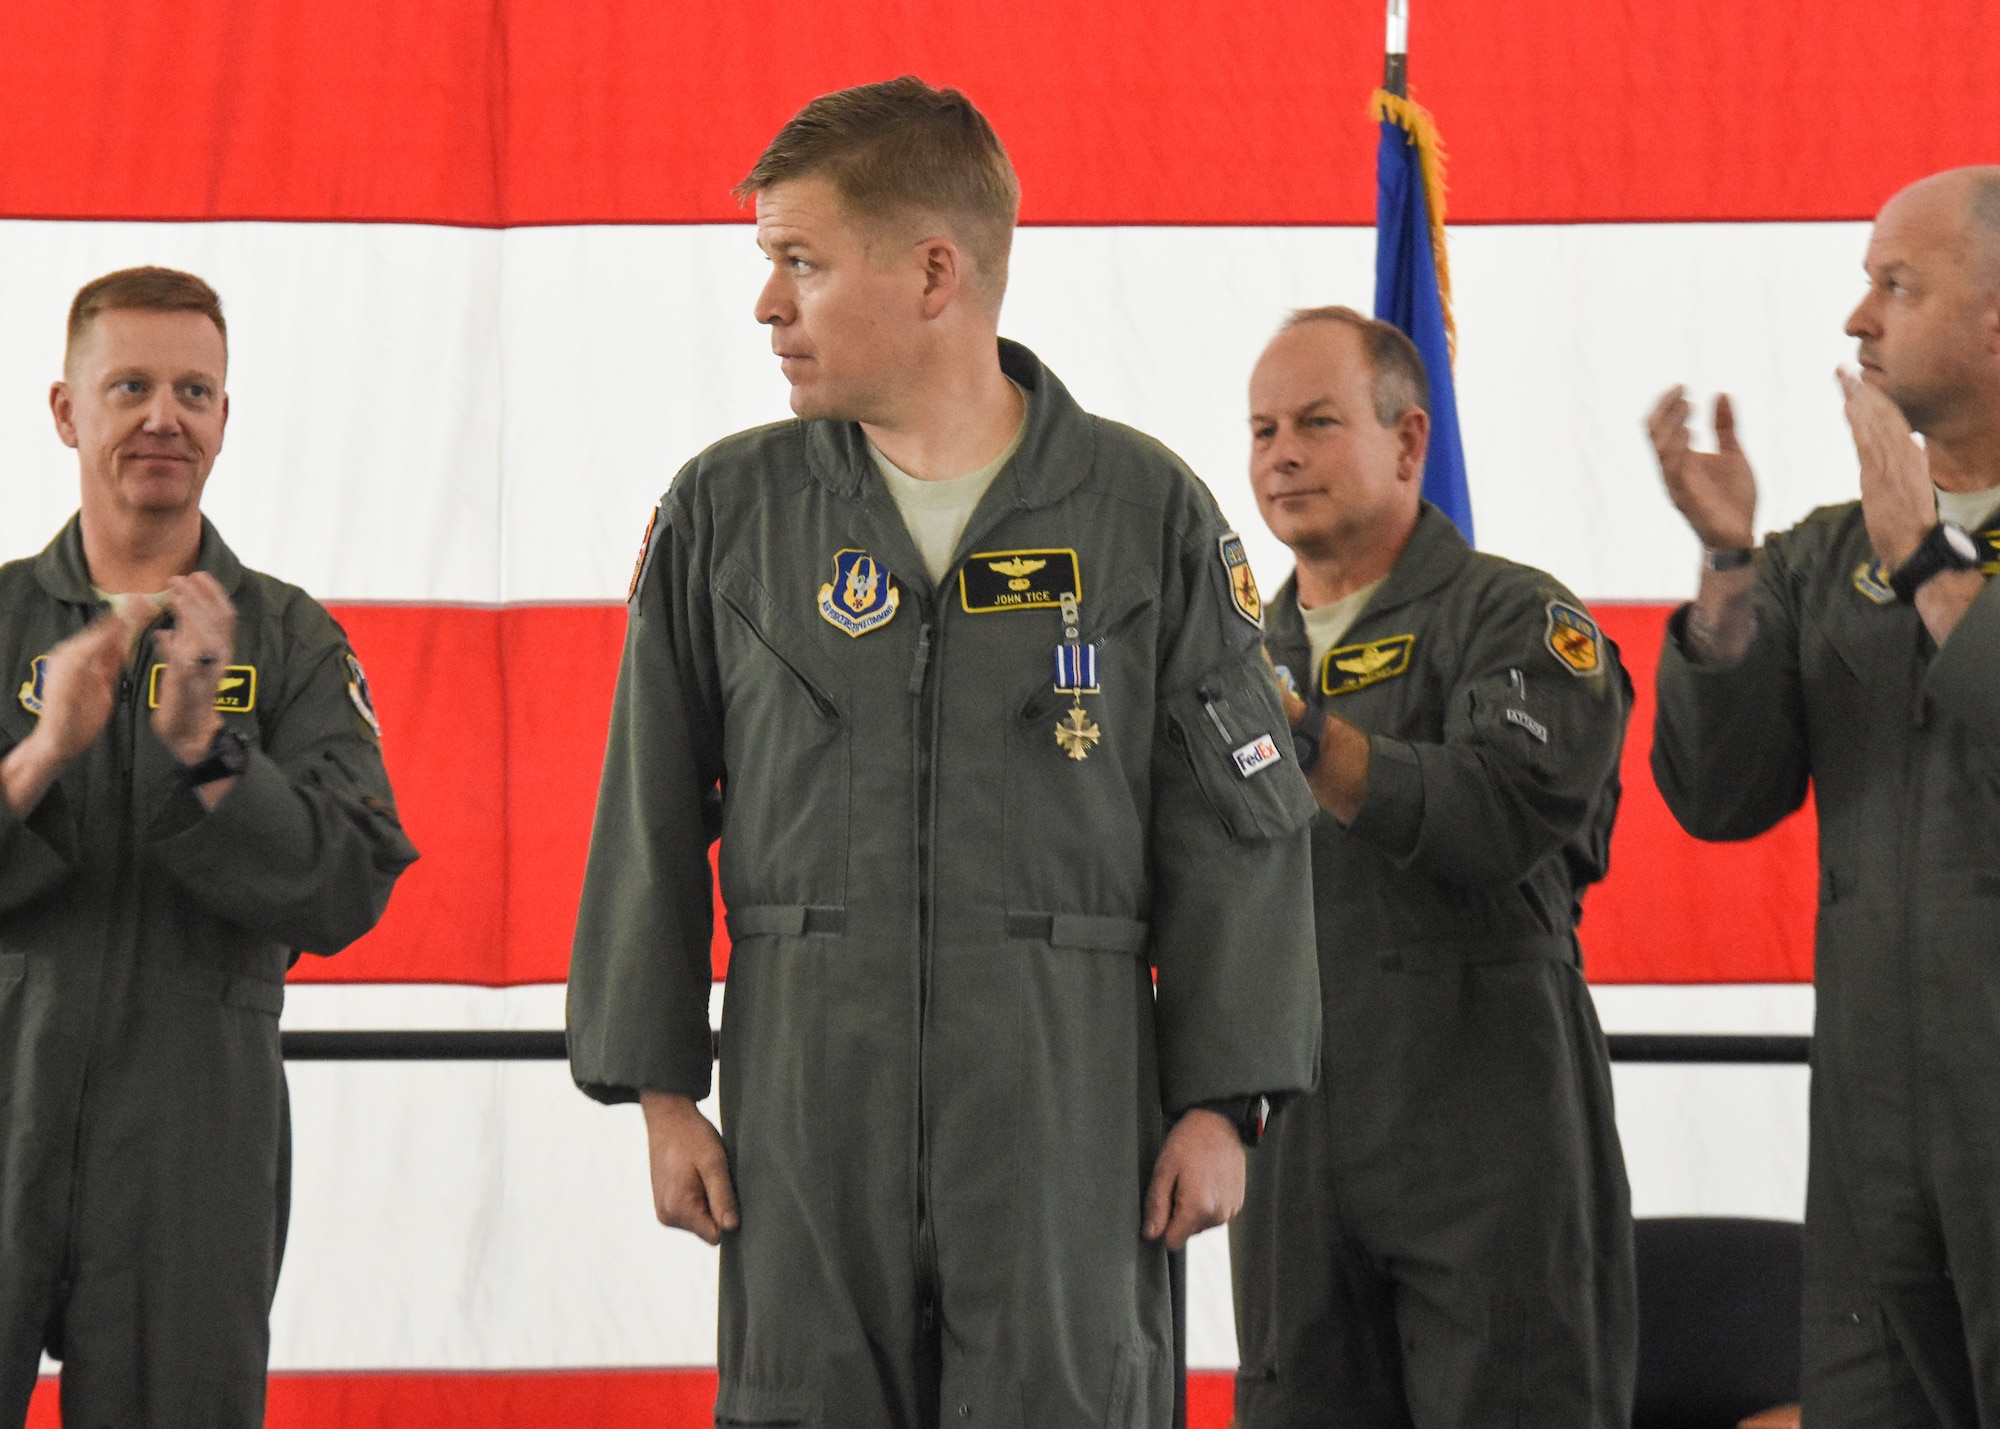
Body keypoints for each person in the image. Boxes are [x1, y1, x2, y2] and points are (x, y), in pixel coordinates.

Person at [566, 77, 1321, 1428]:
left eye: (799, 260)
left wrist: (1225, 1101)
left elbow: (1239, 821)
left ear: (934, 273)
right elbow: (651, 808)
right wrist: (663, 1089)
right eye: (767, 265)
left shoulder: (1141, 511)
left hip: (1066, 1101)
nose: (768, 304)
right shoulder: (729, 515)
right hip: (807, 1100)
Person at [0, 267, 418, 1427]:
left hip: (191, 1144)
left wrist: (210, 754)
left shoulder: (285, 639)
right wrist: (39, 757)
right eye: (129, 384)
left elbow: (347, 883)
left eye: (195, 389)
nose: (163, 416)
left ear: (226, 419)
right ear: (65, 410)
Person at [1229, 307, 1637, 1428]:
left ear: (1409, 442)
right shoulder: (1229, 654)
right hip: (1291, 1133)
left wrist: (1305, 736)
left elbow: (1500, 810)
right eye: (1261, 429)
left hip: (1483, 1124)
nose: (1281, 454)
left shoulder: (1513, 616)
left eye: (1315, 421)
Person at [1649, 166, 2000, 1426]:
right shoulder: (1824, 552)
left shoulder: (1889, 544)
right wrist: (1730, 571)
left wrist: (1926, 561)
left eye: (1894, 285)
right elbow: (1718, 795)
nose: (1857, 319)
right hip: (1868, 1137)